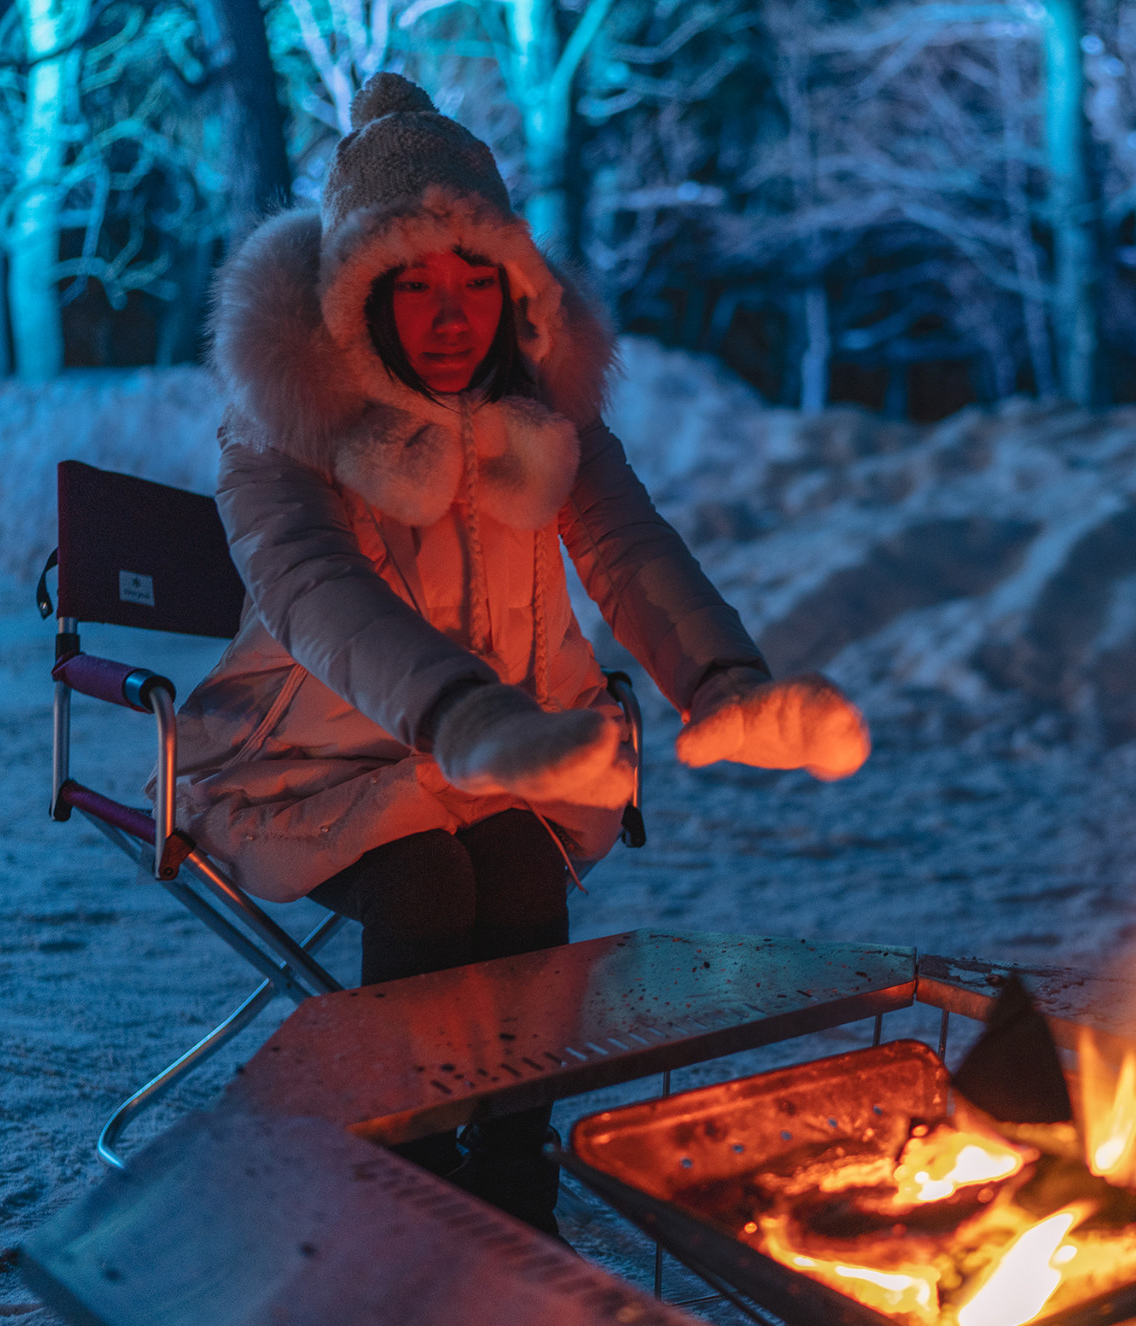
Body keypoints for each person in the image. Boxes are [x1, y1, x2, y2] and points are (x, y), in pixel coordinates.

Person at [174, 72, 870, 1236]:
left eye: (474, 283)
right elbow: (313, 589)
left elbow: (629, 548)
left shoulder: (543, 419)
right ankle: (399, 1178)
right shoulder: (287, 428)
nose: (451, 315)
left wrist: (724, 683)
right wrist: (462, 715)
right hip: (310, 763)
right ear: (354, 299)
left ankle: (509, 1181)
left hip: (514, 756)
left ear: (512, 291)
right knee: (428, 878)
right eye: (415, 285)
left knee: (518, 865)